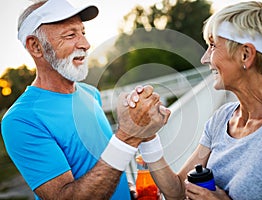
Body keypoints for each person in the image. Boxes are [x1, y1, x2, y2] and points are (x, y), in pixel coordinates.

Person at [126, 1, 262, 199]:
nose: (204, 58)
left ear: (245, 55)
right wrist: (148, 137)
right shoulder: (222, 119)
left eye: (212, 46)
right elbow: (179, 191)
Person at [1, 0, 170, 199]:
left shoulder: (91, 93)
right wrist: (128, 136)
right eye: (71, 35)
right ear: (36, 46)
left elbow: (99, 165)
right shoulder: (21, 120)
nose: (85, 44)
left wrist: (127, 190)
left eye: (83, 32)